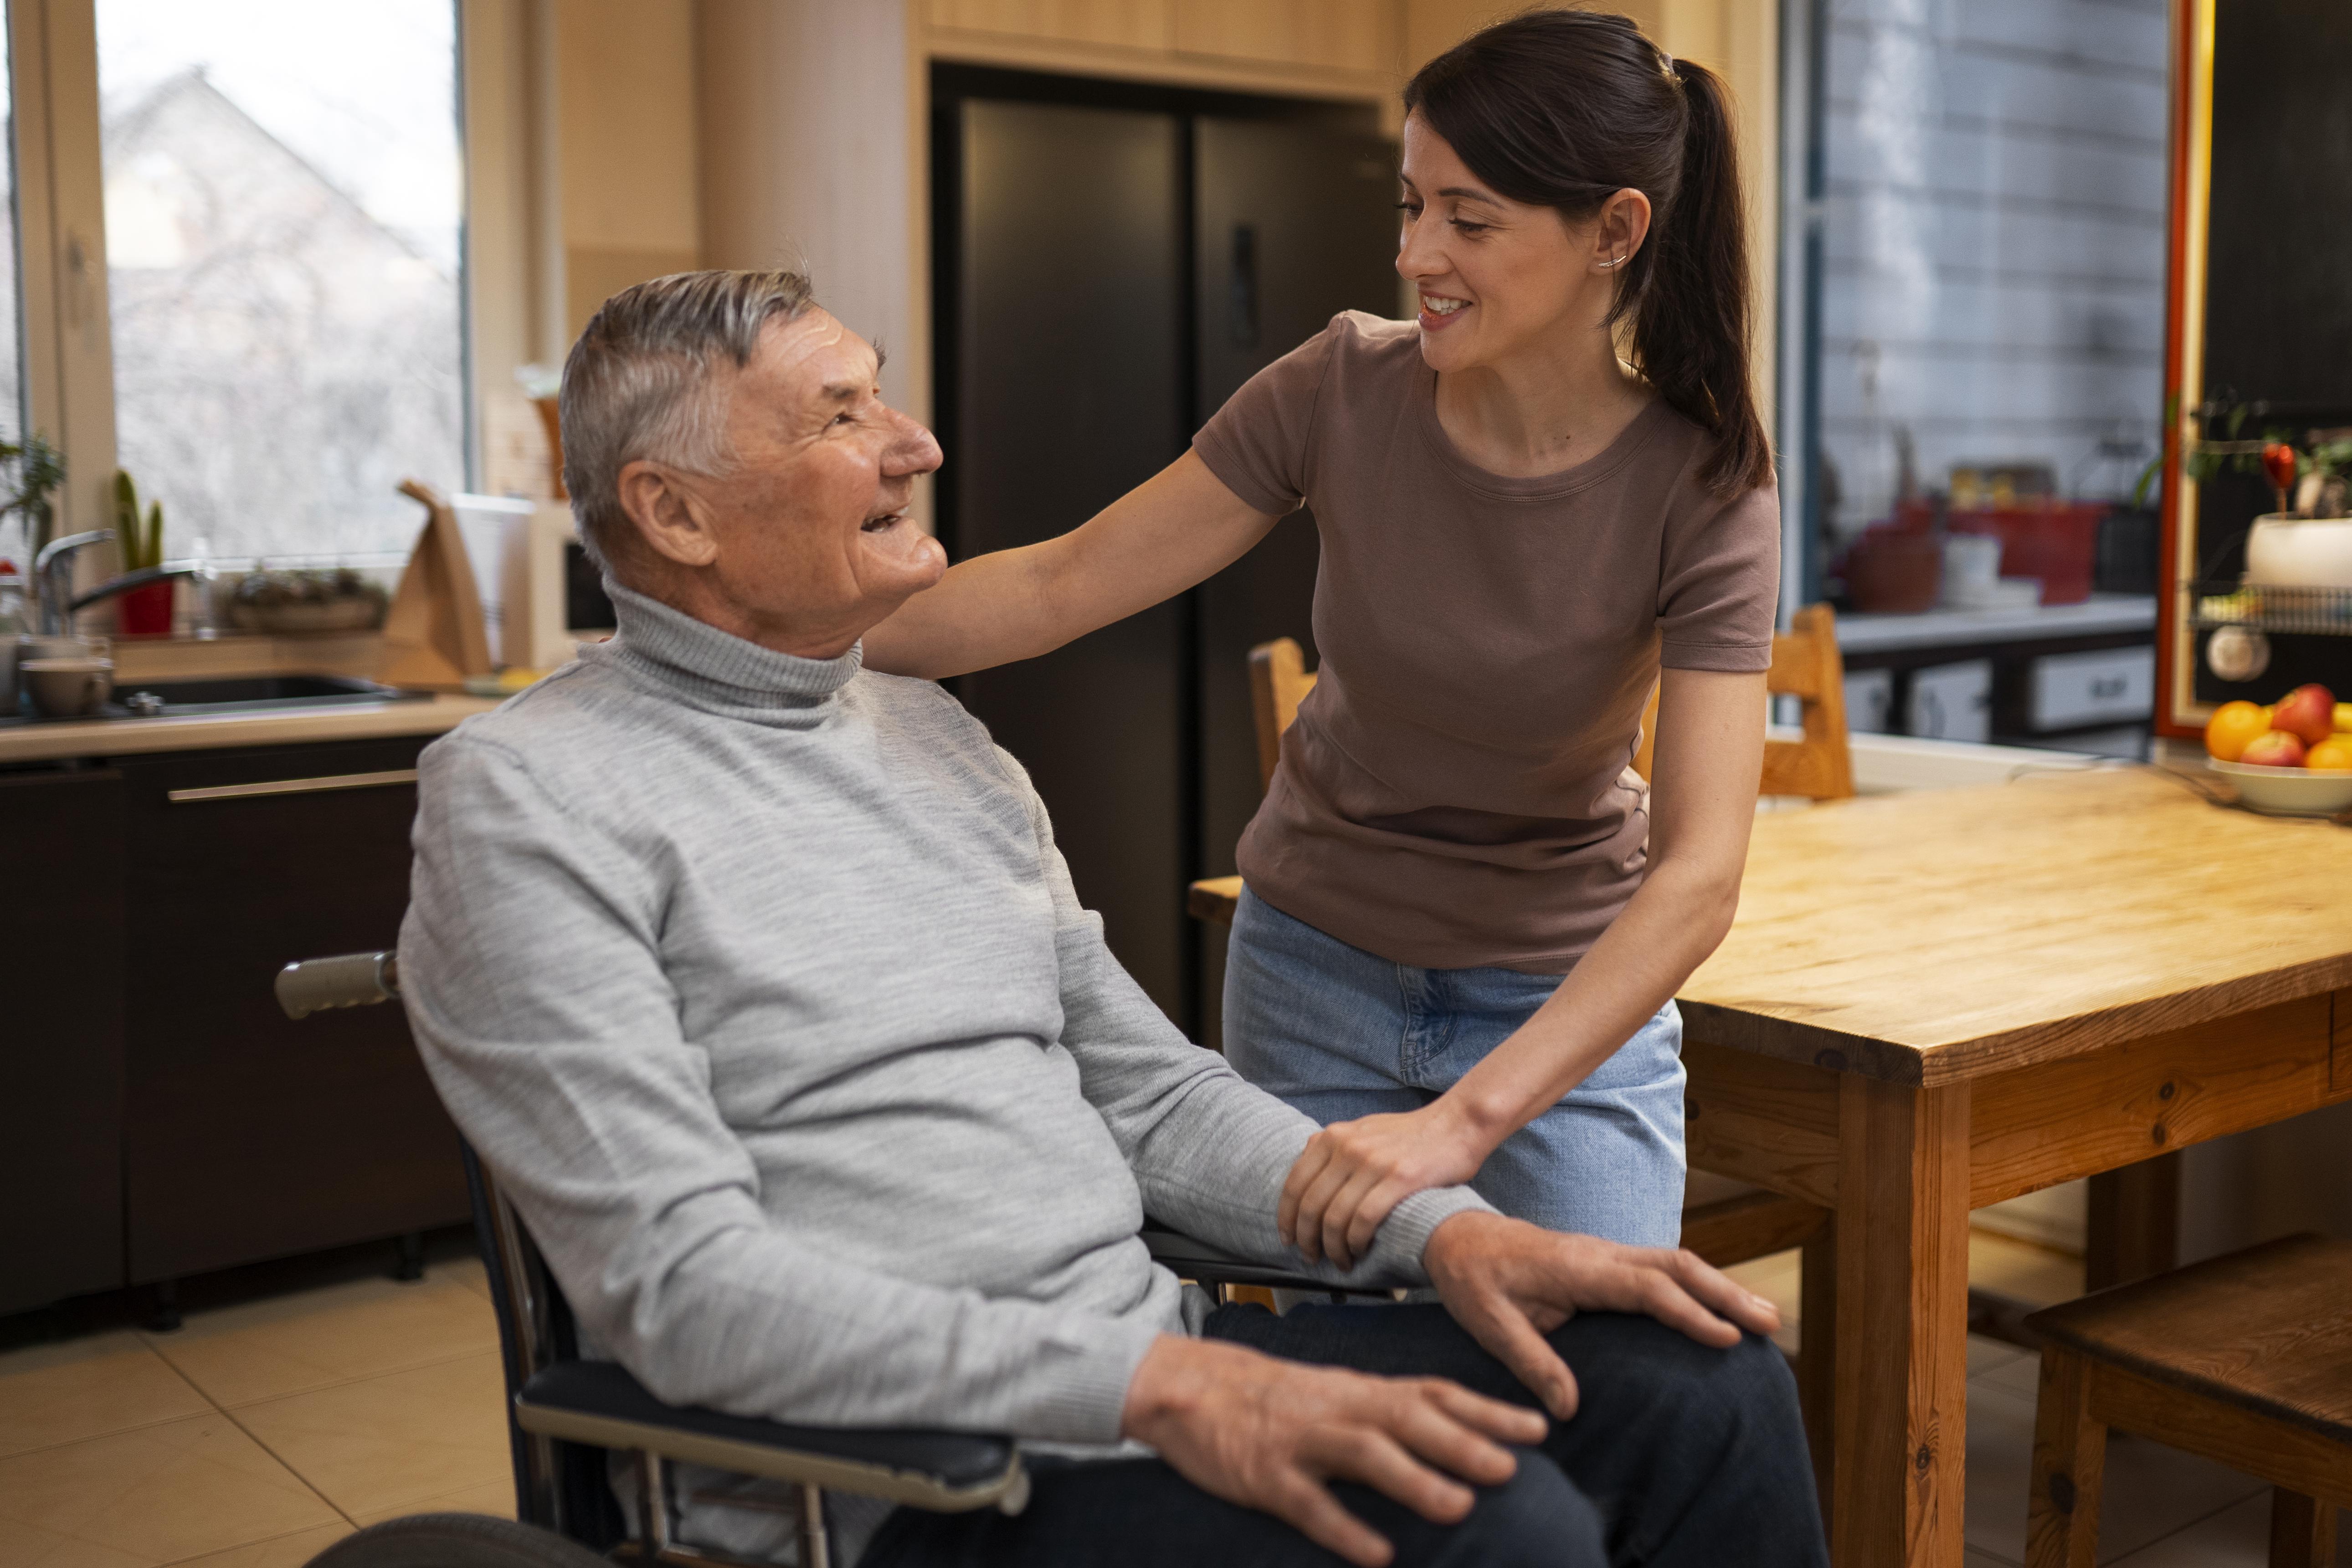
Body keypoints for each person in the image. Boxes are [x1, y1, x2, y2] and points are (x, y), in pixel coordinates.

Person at [399, 268, 1827, 1568]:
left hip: (1136, 1384)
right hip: (899, 1489)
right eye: (843, 415)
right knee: (1483, 1532)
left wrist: (1446, 1234)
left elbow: (1148, 1100)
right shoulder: (529, 797)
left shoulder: (937, 738)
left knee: (1704, 1382)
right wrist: (1158, 1383)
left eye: (882, 391)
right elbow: (683, 1289)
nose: (916, 443)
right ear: (675, 512)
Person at [860, 10, 1778, 1271]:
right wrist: (765, 626)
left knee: (1600, 1390)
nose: (1414, 253)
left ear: (1613, 233)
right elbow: (1062, 582)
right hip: (1313, 973)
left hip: (1563, 1005)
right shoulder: (1338, 386)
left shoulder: (1705, 482)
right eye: (1409, 205)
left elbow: (1697, 877)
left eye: (1467, 219)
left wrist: (1466, 1119)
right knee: (1348, 1400)